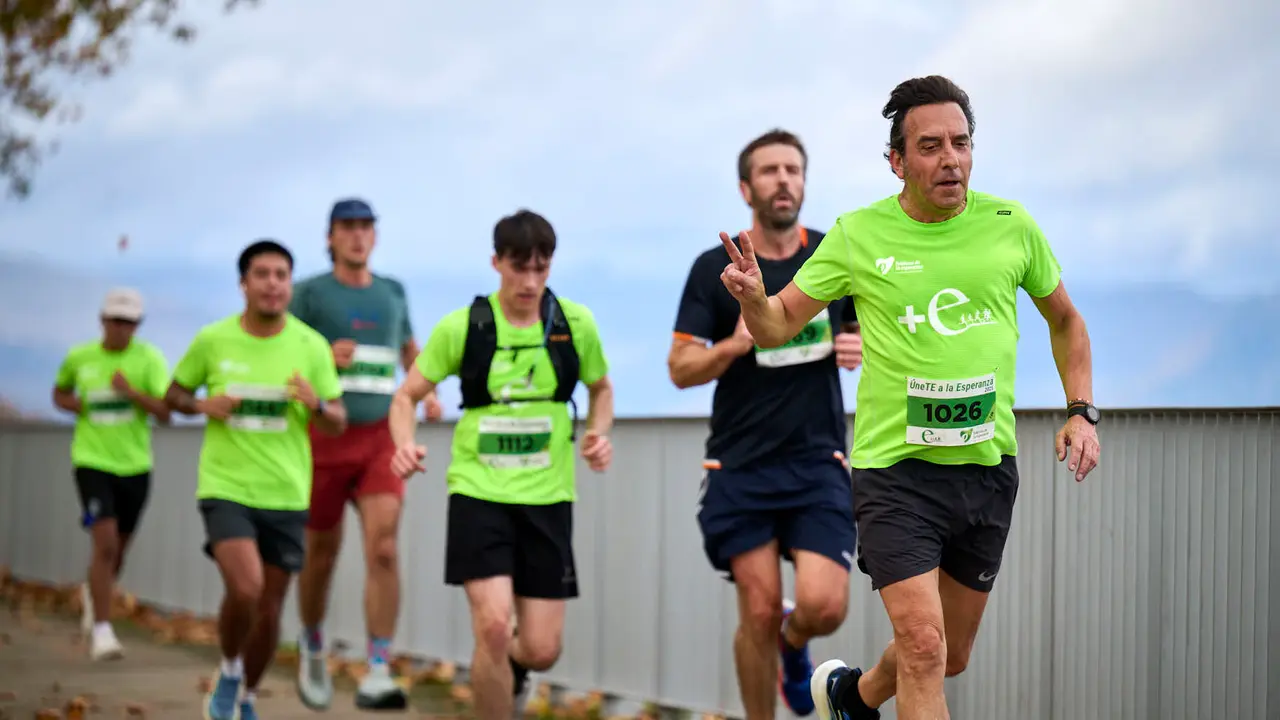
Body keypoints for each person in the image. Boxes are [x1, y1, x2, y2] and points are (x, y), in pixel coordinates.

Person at [716, 76, 1102, 720]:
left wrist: (1080, 410)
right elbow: (779, 323)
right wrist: (755, 298)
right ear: (897, 161)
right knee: (923, 647)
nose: (950, 158)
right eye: (930, 146)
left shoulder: (1011, 225)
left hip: (985, 471)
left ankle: (852, 696)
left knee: (948, 653)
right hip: (894, 476)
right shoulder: (859, 234)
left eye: (961, 142)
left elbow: (1066, 321)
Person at [387, 209, 614, 720]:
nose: (530, 281)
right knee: (490, 627)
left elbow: (601, 389)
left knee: (540, 648)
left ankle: (513, 670)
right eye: (519, 268)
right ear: (497, 263)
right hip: (478, 494)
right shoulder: (465, 326)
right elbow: (406, 397)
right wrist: (404, 443)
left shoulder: (574, 325)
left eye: (541, 268)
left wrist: (599, 433)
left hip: (548, 499)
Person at [668, 129, 863, 720]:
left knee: (825, 606)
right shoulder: (715, 268)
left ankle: (794, 639)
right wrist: (731, 346)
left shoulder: (832, 256)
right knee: (754, 609)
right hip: (741, 464)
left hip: (816, 460)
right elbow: (680, 367)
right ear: (745, 186)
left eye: (793, 169)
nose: (784, 180)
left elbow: (871, 333)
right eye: (771, 170)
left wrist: (857, 346)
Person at [165, 240, 346, 720]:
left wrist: (317, 404)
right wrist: (203, 405)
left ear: (290, 284)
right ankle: (227, 672)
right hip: (226, 487)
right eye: (262, 274)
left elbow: (338, 421)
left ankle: (247, 695)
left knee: (269, 608)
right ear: (243, 283)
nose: (272, 283)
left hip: (286, 491)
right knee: (245, 588)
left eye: (281, 275)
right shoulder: (213, 340)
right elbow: (174, 396)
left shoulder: (311, 346)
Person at [289, 198, 443, 711]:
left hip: (380, 436)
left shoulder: (392, 291)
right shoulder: (309, 293)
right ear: (330, 236)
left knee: (384, 548)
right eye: (347, 229)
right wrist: (318, 358)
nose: (357, 237)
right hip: (324, 436)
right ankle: (312, 643)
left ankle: (378, 665)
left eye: (365, 228)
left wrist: (429, 389)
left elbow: (408, 351)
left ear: (375, 236)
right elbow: (283, 352)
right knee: (321, 553)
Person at [51, 287, 171, 661]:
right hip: (91, 461)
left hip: (135, 466)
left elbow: (166, 413)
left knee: (118, 550)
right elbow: (59, 393)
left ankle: (95, 593)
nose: (122, 329)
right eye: (117, 321)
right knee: (103, 544)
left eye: (130, 323)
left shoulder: (149, 359)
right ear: (103, 321)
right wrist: (77, 404)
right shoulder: (80, 357)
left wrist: (132, 393)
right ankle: (103, 631)